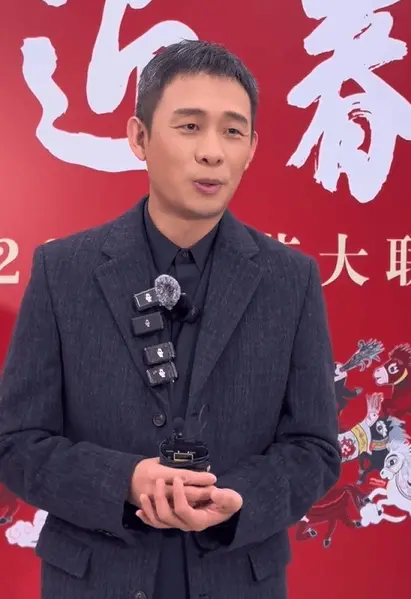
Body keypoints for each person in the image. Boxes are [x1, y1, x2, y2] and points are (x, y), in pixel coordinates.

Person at [0, 39, 341, 599]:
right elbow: (18, 443)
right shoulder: (63, 270)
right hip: (94, 580)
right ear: (140, 137)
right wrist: (123, 482)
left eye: (232, 131)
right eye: (189, 126)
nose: (212, 152)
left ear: (252, 148)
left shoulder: (290, 279)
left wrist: (240, 499)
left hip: (237, 579)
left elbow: (314, 448)